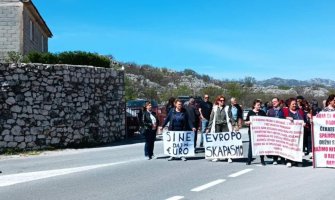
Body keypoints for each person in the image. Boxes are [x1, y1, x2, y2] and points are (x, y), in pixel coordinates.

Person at [206, 95, 231, 162]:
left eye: (223, 100)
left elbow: (231, 117)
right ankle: (217, 156)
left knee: (226, 142)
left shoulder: (227, 108)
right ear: (218, 101)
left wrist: (235, 125)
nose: (222, 102)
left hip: (225, 126)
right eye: (221, 100)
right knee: (217, 142)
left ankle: (228, 156)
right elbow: (211, 119)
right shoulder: (214, 108)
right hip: (217, 126)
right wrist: (208, 128)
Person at [283, 98, 306, 168]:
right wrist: (286, 118)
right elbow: (280, 120)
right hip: (289, 134)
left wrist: (304, 123)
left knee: (299, 147)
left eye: (295, 104)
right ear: (289, 105)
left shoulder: (300, 111)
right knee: (290, 147)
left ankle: (298, 160)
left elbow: (304, 119)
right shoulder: (285, 111)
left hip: (299, 134)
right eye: (292, 104)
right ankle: (289, 160)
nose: (294, 105)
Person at [245, 99, 267, 166]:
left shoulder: (262, 112)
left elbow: (266, 121)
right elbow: (246, 122)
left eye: (260, 105)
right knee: (251, 145)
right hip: (252, 131)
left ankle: (262, 159)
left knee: (261, 145)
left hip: (260, 132)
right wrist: (248, 122)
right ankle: (249, 160)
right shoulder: (250, 112)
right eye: (258, 105)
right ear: (254, 105)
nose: (259, 106)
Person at [266, 97, 285, 165]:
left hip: (281, 130)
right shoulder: (269, 111)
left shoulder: (282, 110)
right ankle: (275, 159)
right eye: (272, 101)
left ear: (278, 102)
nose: (274, 102)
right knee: (275, 145)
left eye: (275, 101)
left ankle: (283, 159)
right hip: (273, 131)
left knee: (282, 145)